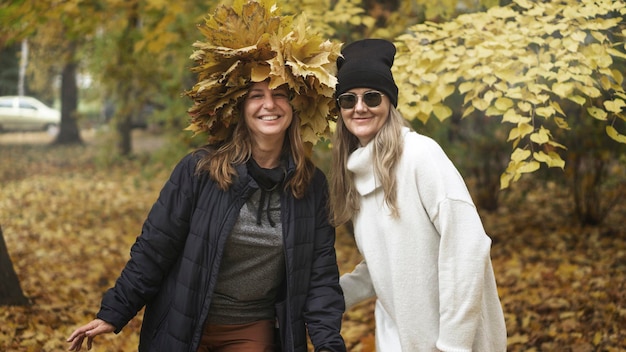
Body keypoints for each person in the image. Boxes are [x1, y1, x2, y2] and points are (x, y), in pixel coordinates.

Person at [67, 1, 345, 351]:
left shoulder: (310, 186)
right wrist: (114, 311)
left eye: (279, 95)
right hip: (185, 322)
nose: (269, 105)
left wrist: (329, 345)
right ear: (241, 109)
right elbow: (155, 247)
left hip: (252, 328)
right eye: (256, 95)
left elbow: (320, 278)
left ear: (294, 108)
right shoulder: (200, 170)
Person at [329, 38, 507, 351]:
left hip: (453, 343)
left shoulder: (419, 155)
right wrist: (326, 298)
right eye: (348, 99)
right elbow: (386, 266)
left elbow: (468, 247)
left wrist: (452, 344)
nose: (359, 108)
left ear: (389, 103)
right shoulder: (357, 173)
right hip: (401, 338)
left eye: (372, 97)